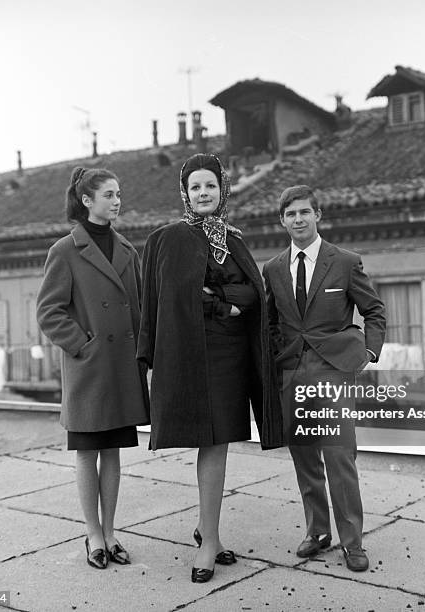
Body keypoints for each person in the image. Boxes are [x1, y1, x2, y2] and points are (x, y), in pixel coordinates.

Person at [137, 153, 283, 583]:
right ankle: (209, 539)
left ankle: (209, 534)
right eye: (195, 187)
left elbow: (253, 293)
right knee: (205, 439)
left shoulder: (234, 239)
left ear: (223, 191)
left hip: (230, 358)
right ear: (185, 193)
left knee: (218, 443)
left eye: (210, 186)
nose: (203, 193)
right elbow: (165, 298)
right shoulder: (167, 239)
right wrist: (222, 301)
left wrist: (220, 298)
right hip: (190, 353)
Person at [262, 185, 385, 572]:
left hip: (333, 371)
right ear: (282, 221)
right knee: (304, 457)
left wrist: (368, 352)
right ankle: (317, 532)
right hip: (292, 373)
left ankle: (352, 542)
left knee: (337, 456)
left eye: (304, 212)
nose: (298, 219)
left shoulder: (345, 262)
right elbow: (270, 323)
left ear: (318, 215)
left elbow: (374, 311)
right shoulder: (274, 268)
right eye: (290, 214)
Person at [37, 167, 149, 570]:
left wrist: (144, 355)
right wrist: (83, 344)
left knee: (114, 453)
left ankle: (112, 531)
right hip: (89, 368)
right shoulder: (65, 250)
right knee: (87, 453)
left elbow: (139, 310)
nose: (117, 201)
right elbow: (49, 312)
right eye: (108, 194)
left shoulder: (127, 249)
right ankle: (93, 535)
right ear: (87, 201)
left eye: (119, 193)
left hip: (120, 368)